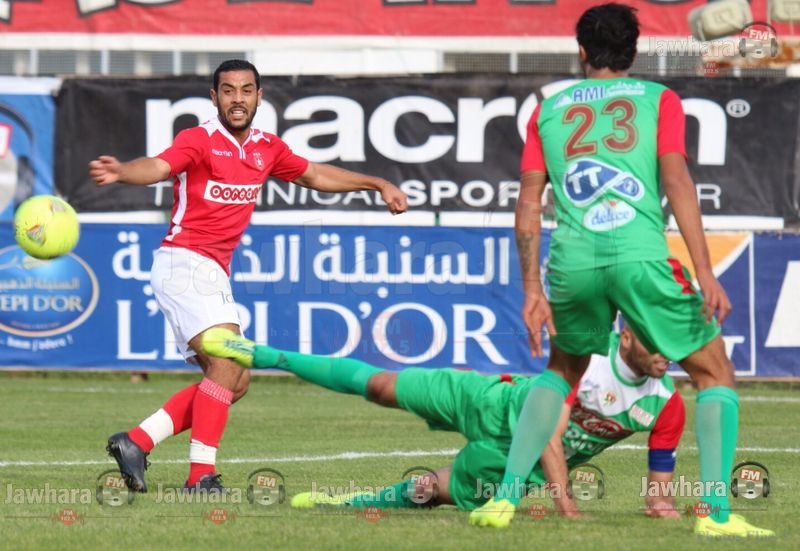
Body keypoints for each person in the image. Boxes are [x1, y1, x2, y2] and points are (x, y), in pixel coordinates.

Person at [468, 4, 773, 537]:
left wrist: (532, 288)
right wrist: (705, 271)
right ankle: (716, 515)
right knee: (714, 372)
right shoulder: (660, 99)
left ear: (581, 50)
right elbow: (677, 182)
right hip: (639, 256)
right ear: (633, 51)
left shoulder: (548, 110)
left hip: (573, 261)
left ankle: (505, 499)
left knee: (561, 371)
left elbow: (528, 205)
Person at [88, 59, 407, 492]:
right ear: (214, 97)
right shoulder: (199, 139)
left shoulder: (266, 147)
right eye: (228, 90)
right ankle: (200, 477)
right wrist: (124, 171)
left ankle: (137, 441)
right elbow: (160, 166)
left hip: (213, 272)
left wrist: (377, 183)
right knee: (229, 361)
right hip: (184, 263)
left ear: (259, 97)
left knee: (235, 382)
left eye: (246, 90)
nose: (237, 99)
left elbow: (315, 174)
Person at [201, 326, 684, 517]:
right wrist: (568, 508)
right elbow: (548, 433)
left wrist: (662, 505)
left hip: (515, 460)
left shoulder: (667, 403)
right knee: (380, 386)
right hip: (491, 401)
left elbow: (658, 491)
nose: (667, 351)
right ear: (625, 338)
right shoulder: (586, 360)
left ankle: (342, 502)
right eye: (655, 339)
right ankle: (266, 355)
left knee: (428, 491)